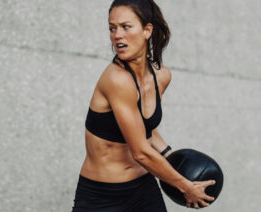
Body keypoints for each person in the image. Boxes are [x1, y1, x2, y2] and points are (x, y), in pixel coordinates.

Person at [71, 0, 216, 211]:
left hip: (143, 188)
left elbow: (146, 128)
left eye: (126, 26)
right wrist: (185, 186)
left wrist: (171, 156)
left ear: (147, 30)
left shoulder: (161, 76)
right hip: (101, 196)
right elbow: (140, 151)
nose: (117, 35)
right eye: (112, 28)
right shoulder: (116, 79)